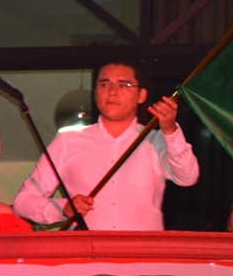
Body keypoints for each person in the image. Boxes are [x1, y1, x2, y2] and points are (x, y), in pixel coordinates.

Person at [13, 61, 199, 230]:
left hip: (143, 258)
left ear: (141, 95)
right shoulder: (68, 142)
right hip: (86, 257)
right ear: (95, 93)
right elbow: (23, 202)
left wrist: (170, 130)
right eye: (104, 84)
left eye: (123, 84)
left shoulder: (155, 140)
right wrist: (63, 208)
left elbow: (187, 177)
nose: (112, 91)